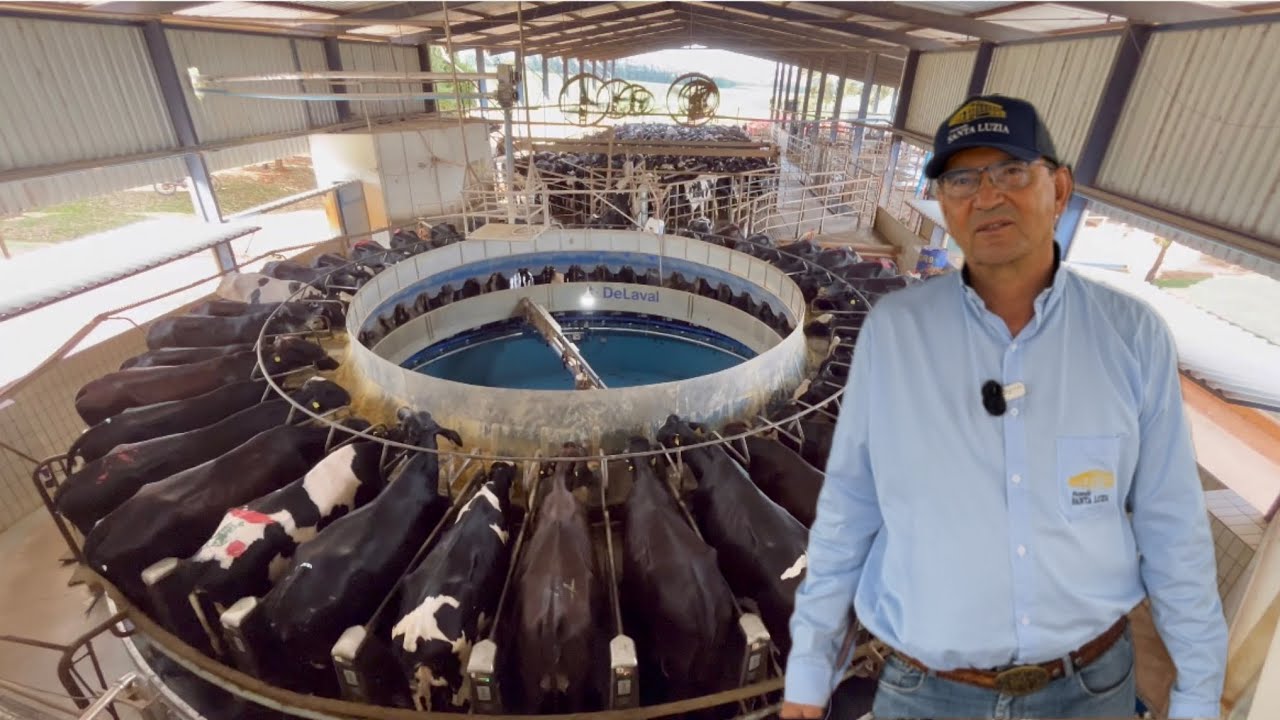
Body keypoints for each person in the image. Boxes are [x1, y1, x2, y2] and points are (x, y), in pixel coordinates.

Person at [781, 94, 1228, 719]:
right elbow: (850, 508)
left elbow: (1172, 525)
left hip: (1089, 688)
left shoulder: (1132, 336)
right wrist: (809, 670)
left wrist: (1199, 696)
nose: (986, 197)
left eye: (1011, 171)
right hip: (928, 690)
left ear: (1060, 188)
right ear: (944, 202)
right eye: (962, 180)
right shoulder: (895, 332)